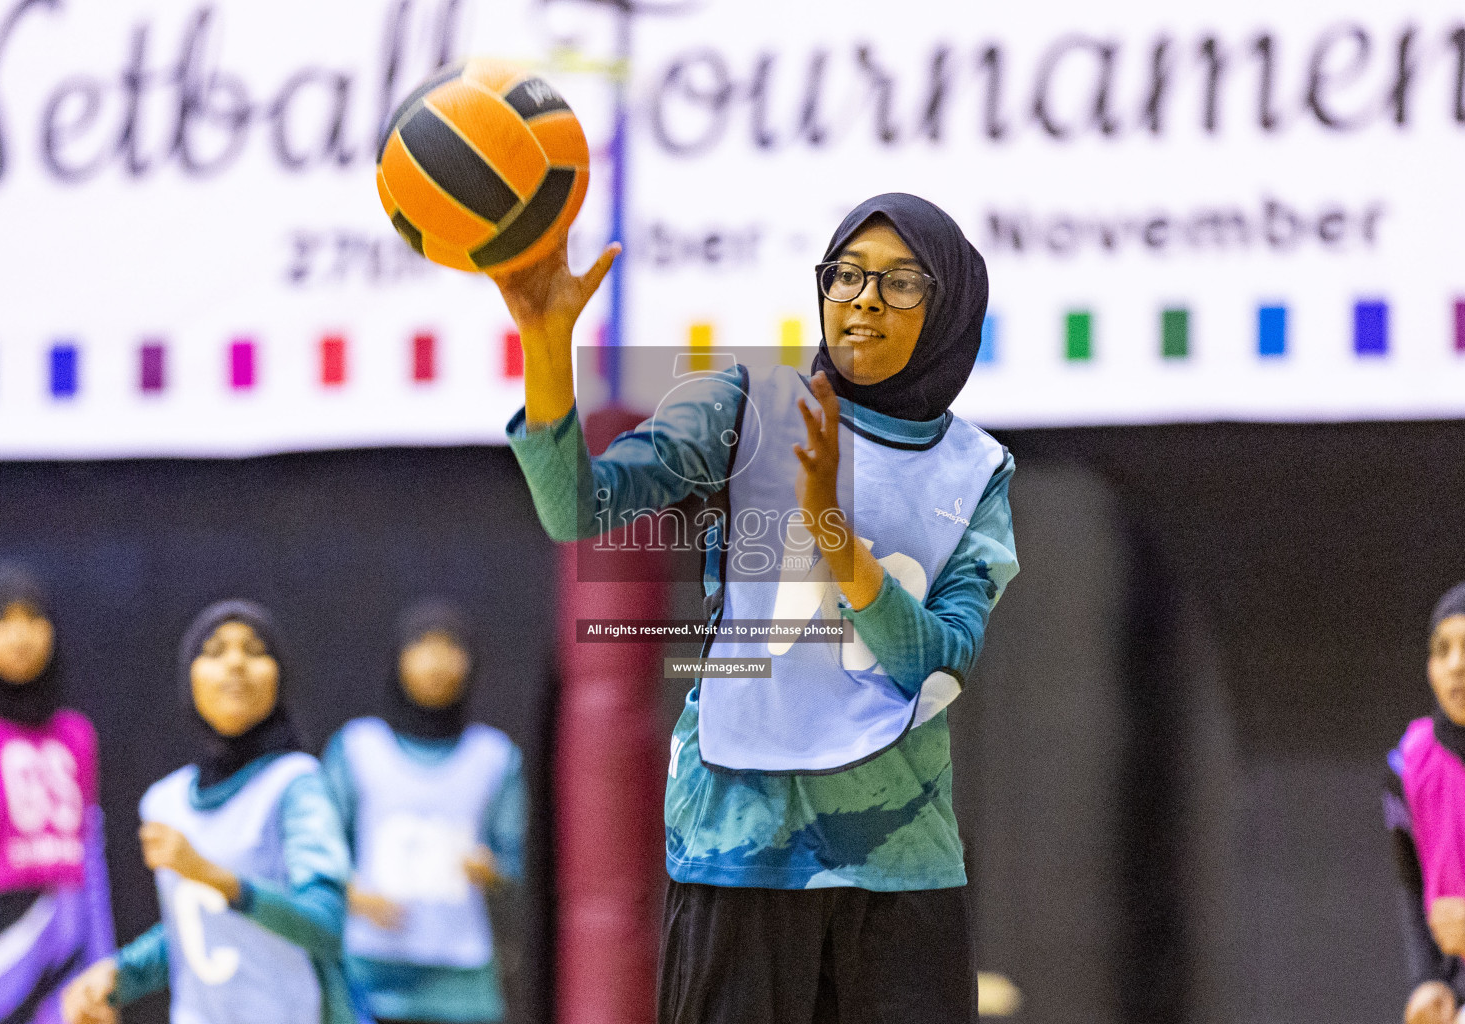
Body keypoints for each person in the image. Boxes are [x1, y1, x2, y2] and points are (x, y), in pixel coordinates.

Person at [494, 193, 1018, 1022]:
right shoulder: (742, 406)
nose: (865, 298)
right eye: (845, 275)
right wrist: (547, 348)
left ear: (950, 304)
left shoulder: (976, 470)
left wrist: (834, 537)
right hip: (738, 846)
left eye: (901, 282)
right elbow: (577, 510)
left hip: (898, 864)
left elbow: (939, 663)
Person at [60, 600, 360, 1024]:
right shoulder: (165, 801)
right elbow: (202, 929)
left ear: (280, 680)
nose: (235, 663)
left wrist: (213, 875)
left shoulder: (295, 783)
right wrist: (122, 974)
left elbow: (327, 925)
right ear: (189, 680)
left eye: (255, 650)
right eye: (215, 650)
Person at [322, 600, 526, 1024]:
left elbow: (515, 864)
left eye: (448, 648)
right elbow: (314, 849)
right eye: (422, 646)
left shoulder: (495, 756)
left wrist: (491, 871)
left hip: (461, 977)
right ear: (399, 657)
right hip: (370, 970)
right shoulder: (357, 747)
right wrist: (350, 891)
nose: (435, 662)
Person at [0, 565, 114, 1024]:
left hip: (64, 968)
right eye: (2, 620)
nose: (20, 636)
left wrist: (103, 976)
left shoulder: (75, 734)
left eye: (32, 619)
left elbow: (91, 863)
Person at [1387, 578, 1465, 1024]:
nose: (1456, 666)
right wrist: (1429, 981)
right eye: (1442, 649)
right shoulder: (1409, 763)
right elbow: (1414, 892)